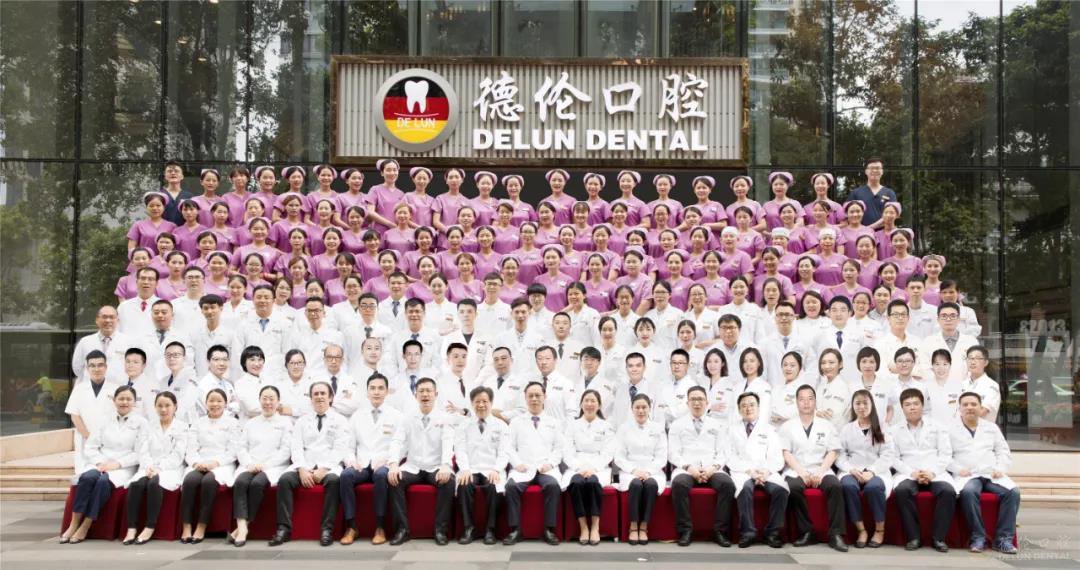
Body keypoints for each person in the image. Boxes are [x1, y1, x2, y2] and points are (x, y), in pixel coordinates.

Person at [60, 385, 147, 544]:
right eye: (121, 398)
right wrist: (101, 462)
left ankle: (86, 525)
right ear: (114, 401)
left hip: (123, 467)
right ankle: (74, 523)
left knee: (102, 482)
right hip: (101, 462)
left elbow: (140, 453)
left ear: (134, 402)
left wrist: (118, 464)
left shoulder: (141, 423)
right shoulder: (104, 419)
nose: (124, 402)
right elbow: (90, 446)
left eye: (128, 399)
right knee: (86, 478)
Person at [271, 382, 349, 547]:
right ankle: (283, 529)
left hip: (328, 466)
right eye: (316, 394)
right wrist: (301, 469)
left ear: (330, 397)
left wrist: (324, 468)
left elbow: (340, 448)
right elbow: (296, 446)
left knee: (334, 481)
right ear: (311, 398)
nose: (319, 397)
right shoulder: (301, 421)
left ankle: (327, 529)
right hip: (305, 465)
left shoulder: (340, 420)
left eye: (323, 393)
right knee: (285, 480)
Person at [387, 377, 456, 546]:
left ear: (436, 394)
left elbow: (448, 442)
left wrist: (446, 465)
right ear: (415, 395)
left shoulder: (444, 418)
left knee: (448, 481)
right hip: (414, 466)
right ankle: (402, 530)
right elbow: (397, 441)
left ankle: (440, 530)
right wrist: (393, 464)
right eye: (421, 391)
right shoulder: (407, 417)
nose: (425, 394)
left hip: (436, 466)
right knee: (394, 479)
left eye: (429, 391)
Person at [949, 392, 1020, 554]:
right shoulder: (950, 429)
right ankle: (978, 537)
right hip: (967, 475)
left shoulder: (991, 428)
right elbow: (945, 456)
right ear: (959, 408)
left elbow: (1003, 451)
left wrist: (1000, 468)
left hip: (991, 473)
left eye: (974, 404)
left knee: (1013, 492)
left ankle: (1003, 539)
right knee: (968, 492)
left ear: (981, 407)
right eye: (965, 404)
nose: (969, 407)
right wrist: (958, 469)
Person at [780, 385, 848, 552]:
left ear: (815, 401)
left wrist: (820, 471)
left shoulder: (826, 425)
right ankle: (807, 532)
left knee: (835, 486)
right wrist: (801, 472)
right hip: (796, 469)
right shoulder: (787, 426)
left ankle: (836, 534)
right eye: (802, 399)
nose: (806, 403)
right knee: (793, 488)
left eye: (810, 399)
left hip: (821, 468)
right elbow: (785, 452)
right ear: (796, 402)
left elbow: (833, 451)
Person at [668, 386, 737, 547]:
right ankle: (685, 531)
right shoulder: (677, 424)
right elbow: (673, 453)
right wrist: (689, 468)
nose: (697, 403)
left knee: (727, 485)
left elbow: (723, 452)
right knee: (679, 485)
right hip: (686, 468)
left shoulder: (717, 424)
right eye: (693, 399)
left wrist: (712, 468)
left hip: (711, 468)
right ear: (687, 403)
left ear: (707, 402)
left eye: (700, 399)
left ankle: (720, 531)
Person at [340, 373, 403, 545]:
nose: (376, 392)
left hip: (384, 463)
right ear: (367, 392)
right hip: (361, 464)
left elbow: (402, 445)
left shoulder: (396, 416)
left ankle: (380, 527)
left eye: (381, 388)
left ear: (387, 391)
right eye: (372, 388)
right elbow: (348, 445)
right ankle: (351, 527)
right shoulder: (357, 415)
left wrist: (389, 460)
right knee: (345, 476)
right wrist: (351, 461)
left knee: (382, 475)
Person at [890, 388, 955, 553]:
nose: (912, 407)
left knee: (948, 491)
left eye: (916, 403)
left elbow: (946, 454)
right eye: (907, 404)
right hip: (908, 473)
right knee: (902, 491)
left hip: (935, 472)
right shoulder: (894, 430)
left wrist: (932, 472)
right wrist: (912, 473)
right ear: (902, 407)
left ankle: (938, 538)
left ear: (922, 405)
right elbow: (893, 458)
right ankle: (914, 537)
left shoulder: (938, 426)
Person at [230, 385, 293, 548]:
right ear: (259, 400)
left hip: (273, 466)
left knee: (257, 484)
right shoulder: (251, 423)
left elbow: (286, 450)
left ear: (278, 401)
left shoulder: (286, 423)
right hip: (250, 464)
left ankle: (243, 527)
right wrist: (249, 463)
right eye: (264, 398)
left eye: (272, 399)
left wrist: (265, 465)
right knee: (241, 482)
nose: (268, 402)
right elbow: (241, 447)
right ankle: (242, 527)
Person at [504, 382, 564, 545]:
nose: (534, 399)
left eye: (538, 395)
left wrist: (550, 464)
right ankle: (515, 530)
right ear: (525, 398)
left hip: (546, 468)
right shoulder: (516, 422)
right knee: (511, 487)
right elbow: (509, 447)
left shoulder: (554, 422)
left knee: (553, 486)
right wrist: (517, 463)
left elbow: (559, 448)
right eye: (530, 396)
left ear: (545, 397)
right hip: (523, 467)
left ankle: (549, 530)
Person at [123, 391, 187, 545]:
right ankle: (131, 528)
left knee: (154, 483)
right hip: (148, 466)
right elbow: (142, 449)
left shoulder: (182, 427)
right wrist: (149, 466)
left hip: (170, 469)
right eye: (160, 406)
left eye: (167, 405)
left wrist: (159, 468)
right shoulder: (148, 426)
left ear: (175, 406)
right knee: (136, 484)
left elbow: (178, 455)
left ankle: (150, 526)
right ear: (155, 407)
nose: (163, 409)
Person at [727, 392, 788, 548]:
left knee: (781, 490)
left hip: (765, 471)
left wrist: (765, 471)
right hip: (743, 471)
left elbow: (777, 457)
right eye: (744, 406)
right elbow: (729, 456)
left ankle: (772, 533)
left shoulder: (769, 429)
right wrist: (750, 471)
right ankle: (748, 533)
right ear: (739, 410)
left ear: (759, 408)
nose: (748, 408)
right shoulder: (731, 430)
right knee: (744, 489)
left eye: (751, 405)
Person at [837, 389, 896, 549]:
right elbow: (839, 455)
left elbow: (888, 455)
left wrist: (872, 471)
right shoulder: (846, 429)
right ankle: (861, 530)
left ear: (872, 405)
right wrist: (850, 469)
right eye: (857, 403)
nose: (861, 407)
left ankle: (879, 530)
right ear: (853, 406)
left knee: (874, 487)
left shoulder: (882, 427)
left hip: (877, 471)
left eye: (865, 403)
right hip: (852, 470)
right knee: (848, 486)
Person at [455, 386, 511, 545]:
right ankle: (469, 528)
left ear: (491, 403)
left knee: (494, 486)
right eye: (477, 401)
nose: (481, 405)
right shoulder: (463, 425)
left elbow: (504, 452)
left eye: (484, 401)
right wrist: (465, 469)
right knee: (464, 484)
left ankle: (490, 530)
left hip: (492, 468)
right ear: (472, 403)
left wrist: (497, 469)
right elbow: (460, 450)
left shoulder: (501, 426)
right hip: (471, 468)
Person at [181, 389, 238, 543]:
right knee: (189, 481)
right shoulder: (198, 423)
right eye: (211, 401)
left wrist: (215, 463)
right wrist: (196, 462)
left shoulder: (232, 423)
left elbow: (233, 451)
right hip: (199, 462)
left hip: (222, 464)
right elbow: (191, 449)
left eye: (219, 401)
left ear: (226, 403)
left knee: (209, 481)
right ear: (205, 403)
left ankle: (201, 526)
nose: (215, 404)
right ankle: (186, 526)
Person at [563, 390, 616, 545]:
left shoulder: (606, 426)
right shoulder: (572, 425)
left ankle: (595, 526)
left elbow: (608, 452)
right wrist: (579, 468)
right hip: (576, 465)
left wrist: (594, 468)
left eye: (593, 401)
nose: (589, 404)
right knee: (576, 483)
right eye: (586, 400)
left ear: (599, 405)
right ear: (581, 404)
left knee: (593, 482)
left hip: (599, 466)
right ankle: (583, 527)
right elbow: (567, 451)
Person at [615, 393, 667, 546]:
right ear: (632, 409)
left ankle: (643, 526)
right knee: (636, 484)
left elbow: (661, 456)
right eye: (637, 407)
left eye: (644, 407)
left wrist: (648, 472)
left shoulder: (658, 429)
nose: (641, 411)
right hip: (630, 470)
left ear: (649, 409)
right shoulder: (624, 428)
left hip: (653, 470)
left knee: (651, 485)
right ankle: (633, 526)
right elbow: (619, 456)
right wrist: (634, 470)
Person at [66, 351, 121, 478]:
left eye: (100, 365)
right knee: (85, 476)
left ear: (106, 367)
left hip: (108, 441)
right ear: (87, 368)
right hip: (85, 440)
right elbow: (74, 415)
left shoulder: (116, 389)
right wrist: (89, 437)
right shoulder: (79, 389)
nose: (96, 369)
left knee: (106, 475)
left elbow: (120, 415)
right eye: (92, 365)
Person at [71, 306, 137, 385]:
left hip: (118, 388)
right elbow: (77, 368)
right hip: (91, 388)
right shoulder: (85, 342)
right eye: (104, 317)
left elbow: (134, 369)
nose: (108, 320)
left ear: (117, 320)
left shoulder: (129, 343)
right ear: (97, 320)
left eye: (112, 317)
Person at [917, 302, 978, 382]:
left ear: (958, 319)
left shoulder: (971, 342)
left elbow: (975, 368)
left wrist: (964, 386)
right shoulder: (928, 342)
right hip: (936, 387)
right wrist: (941, 385)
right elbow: (925, 369)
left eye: (952, 316)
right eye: (944, 316)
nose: (948, 319)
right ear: (938, 320)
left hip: (965, 388)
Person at [847, 157, 897, 228]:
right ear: (866, 171)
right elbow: (848, 215)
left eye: (877, 168)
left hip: (883, 233)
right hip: (861, 233)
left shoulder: (889, 193)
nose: (874, 170)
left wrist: (869, 229)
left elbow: (891, 215)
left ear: (882, 171)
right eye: (871, 168)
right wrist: (863, 231)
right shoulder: (856, 193)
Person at [960, 345, 1001, 423]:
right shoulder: (962, 384)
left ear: (985, 362)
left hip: (983, 430)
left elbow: (981, 412)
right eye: (970, 358)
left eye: (978, 358)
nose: (973, 362)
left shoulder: (991, 386)